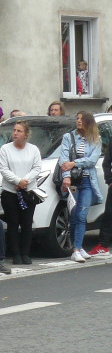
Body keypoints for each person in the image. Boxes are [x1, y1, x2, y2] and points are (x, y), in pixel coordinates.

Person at [0, 121, 43, 265]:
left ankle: (25, 253)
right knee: (13, 223)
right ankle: (15, 253)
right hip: (10, 192)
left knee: (27, 223)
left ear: (26, 135)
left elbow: (36, 168)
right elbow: (3, 169)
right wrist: (17, 181)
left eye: (19, 131)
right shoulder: (5, 149)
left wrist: (24, 181)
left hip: (28, 191)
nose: (15, 133)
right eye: (14, 130)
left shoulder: (33, 149)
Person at [60, 111, 103, 263]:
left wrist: (75, 163)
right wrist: (67, 177)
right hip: (73, 182)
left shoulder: (96, 139)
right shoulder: (68, 137)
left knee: (82, 216)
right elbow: (63, 159)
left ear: (88, 122)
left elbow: (92, 160)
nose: (78, 121)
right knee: (74, 215)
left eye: (81, 119)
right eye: (77, 118)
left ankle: (77, 248)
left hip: (87, 182)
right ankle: (76, 247)